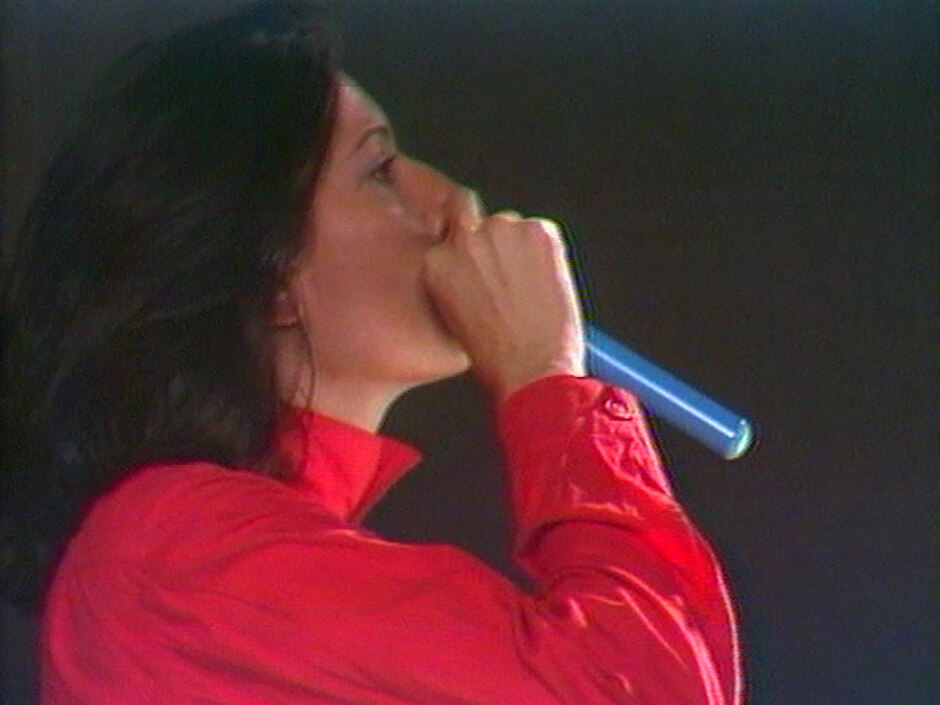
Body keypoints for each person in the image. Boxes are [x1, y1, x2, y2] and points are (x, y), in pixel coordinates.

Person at [0, 2, 741, 703]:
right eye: (380, 169)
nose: (454, 201)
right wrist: (544, 380)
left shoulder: (237, 549)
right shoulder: (179, 556)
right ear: (266, 273)